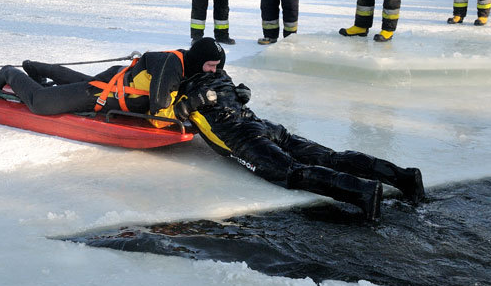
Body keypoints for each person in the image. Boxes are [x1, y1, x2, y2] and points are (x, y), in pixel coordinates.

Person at [171, 70, 425, 220]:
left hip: (244, 138)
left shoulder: (190, 89)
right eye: (211, 63)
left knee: (291, 171)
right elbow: (237, 95)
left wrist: (190, 103)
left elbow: (173, 114)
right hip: (265, 126)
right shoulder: (221, 78)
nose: (214, 67)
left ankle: (364, 192)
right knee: (330, 157)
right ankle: (405, 178)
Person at [0, 37, 226, 124]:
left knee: (85, 83)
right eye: (212, 66)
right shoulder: (171, 68)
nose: (213, 72)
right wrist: (190, 106)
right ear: (199, 61)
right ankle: (10, 72)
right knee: (41, 103)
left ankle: (37, 67)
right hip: (109, 92)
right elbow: (158, 117)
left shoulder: (193, 64)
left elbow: (218, 79)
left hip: (118, 82)